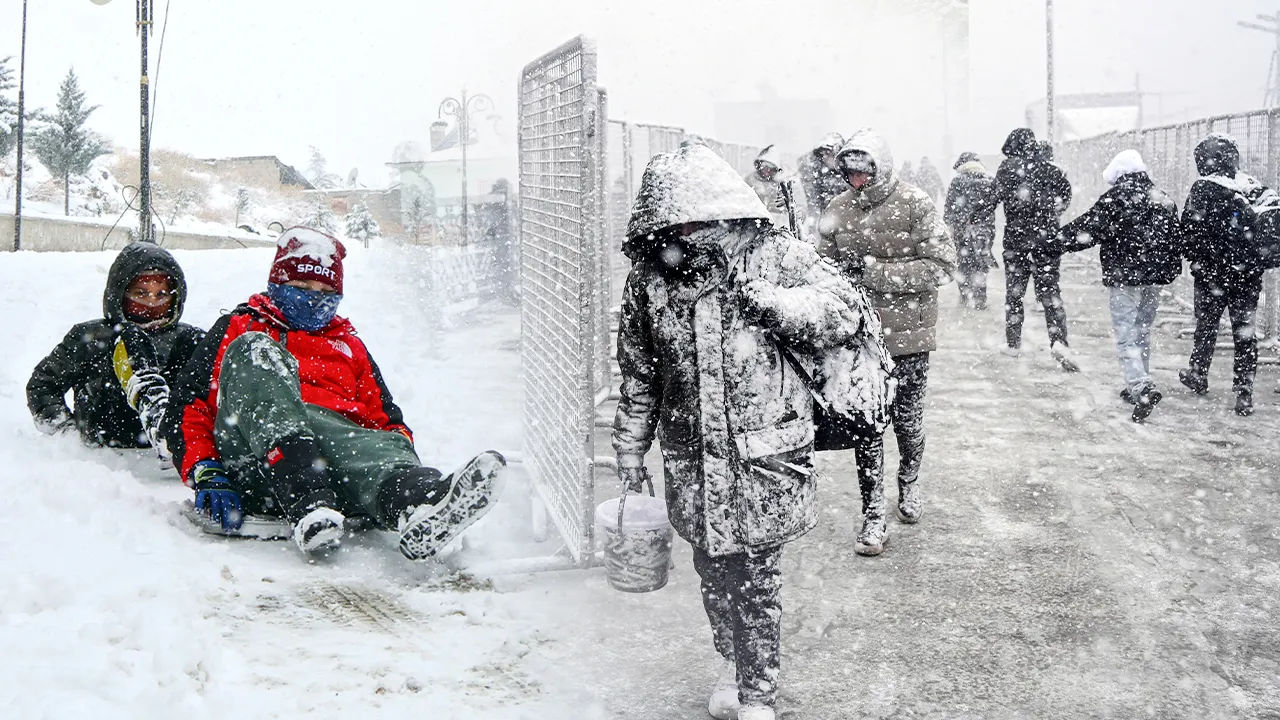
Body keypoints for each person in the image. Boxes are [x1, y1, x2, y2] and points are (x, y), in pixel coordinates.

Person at [615, 144, 872, 720]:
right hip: (690, 456)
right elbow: (639, 372)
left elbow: (843, 310)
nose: (683, 233)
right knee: (711, 570)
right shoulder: (650, 280)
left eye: (692, 219)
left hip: (763, 454)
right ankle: (731, 667)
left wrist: (774, 304)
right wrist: (631, 447)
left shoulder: (776, 257)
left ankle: (760, 693)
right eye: (672, 221)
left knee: (757, 577)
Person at [163, 227, 506, 557]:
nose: (313, 298)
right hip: (257, 465)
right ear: (277, 284)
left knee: (362, 435)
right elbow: (187, 407)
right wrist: (205, 467)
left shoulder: (349, 345)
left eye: (325, 292)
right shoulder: (242, 327)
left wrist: (392, 463)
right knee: (257, 353)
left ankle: (414, 501)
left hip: (338, 474)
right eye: (301, 285)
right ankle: (307, 496)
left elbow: (386, 422)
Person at [818, 128, 957, 556]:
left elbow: (942, 265)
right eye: (849, 174)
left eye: (863, 173)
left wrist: (876, 273)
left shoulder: (915, 204)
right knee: (867, 426)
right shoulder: (836, 209)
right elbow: (821, 264)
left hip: (907, 337)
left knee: (908, 422)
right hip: (856, 341)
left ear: (880, 168)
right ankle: (873, 512)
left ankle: (909, 484)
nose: (856, 182)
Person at [27, 242, 204, 454]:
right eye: (141, 293)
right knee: (132, 340)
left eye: (161, 295)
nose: (151, 302)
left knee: (205, 343)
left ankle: (172, 435)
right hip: (106, 457)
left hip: (170, 453)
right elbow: (43, 384)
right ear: (120, 293)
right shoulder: (90, 337)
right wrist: (66, 434)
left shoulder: (186, 340)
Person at [1057, 150, 1181, 422]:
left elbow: (1087, 229)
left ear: (1119, 174)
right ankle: (1138, 382)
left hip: (1124, 277)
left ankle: (1140, 385)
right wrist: (1167, 272)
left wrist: (1054, 243)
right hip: (1154, 278)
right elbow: (1175, 241)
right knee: (1142, 331)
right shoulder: (1163, 199)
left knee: (1126, 334)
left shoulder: (1116, 199)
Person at [1179, 133, 1265, 416]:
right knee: (1245, 334)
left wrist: (1198, 258)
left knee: (1206, 327)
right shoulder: (1250, 187)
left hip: (1212, 276)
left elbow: (1188, 231)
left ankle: (1198, 373)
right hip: (1247, 276)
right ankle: (1244, 392)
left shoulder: (1203, 189)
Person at [993, 128, 1077, 371]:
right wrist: (1051, 214)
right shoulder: (1052, 170)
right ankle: (1059, 343)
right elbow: (1065, 196)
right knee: (1051, 294)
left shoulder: (1007, 170)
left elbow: (991, 198)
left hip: (1016, 240)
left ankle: (1014, 344)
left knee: (1014, 294)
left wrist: (976, 215)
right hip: (1047, 240)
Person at [944, 152, 998, 309]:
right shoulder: (989, 181)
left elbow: (949, 208)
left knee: (963, 263)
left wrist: (949, 225)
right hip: (985, 230)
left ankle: (965, 295)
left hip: (962, 229)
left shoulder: (958, 181)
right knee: (981, 263)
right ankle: (980, 298)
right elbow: (993, 206)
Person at [796, 132, 847, 231]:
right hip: (824, 222)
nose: (825, 157)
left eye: (829, 154)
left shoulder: (850, 175)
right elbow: (812, 201)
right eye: (822, 154)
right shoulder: (816, 175)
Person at [744, 144, 790, 228]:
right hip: (754, 224)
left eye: (771, 168)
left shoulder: (781, 184)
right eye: (765, 166)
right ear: (759, 164)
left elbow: (798, 209)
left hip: (777, 226)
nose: (767, 170)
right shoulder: (750, 180)